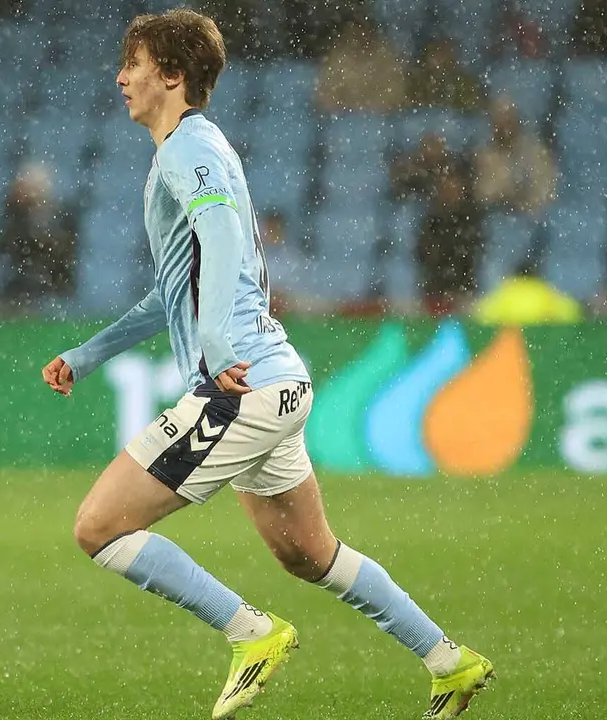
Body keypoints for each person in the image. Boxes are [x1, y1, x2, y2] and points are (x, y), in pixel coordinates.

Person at [41, 11, 493, 720]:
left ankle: (251, 633)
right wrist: (89, 352)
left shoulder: (186, 149)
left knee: (98, 528)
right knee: (309, 554)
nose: (121, 76)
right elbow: (175, 288)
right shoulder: (196, 147)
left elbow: (220, 236)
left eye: (134, 63)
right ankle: (450, 660)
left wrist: (218, 347)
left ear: (173, 75)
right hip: (275, 383)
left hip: (239, 387)